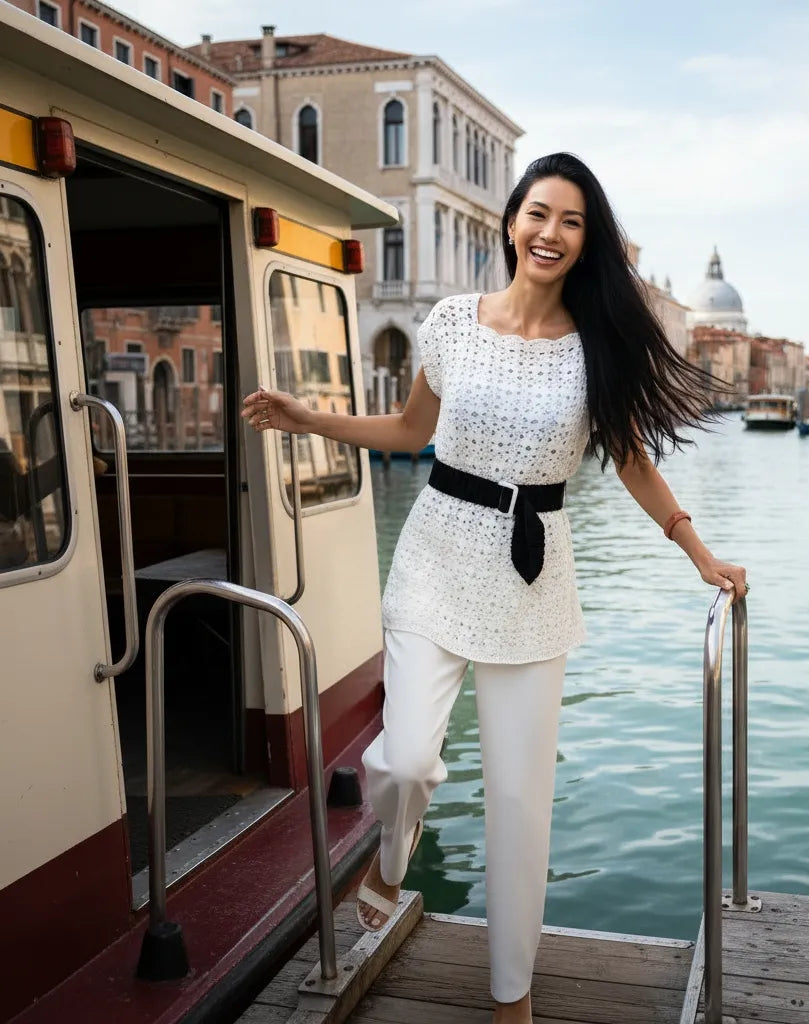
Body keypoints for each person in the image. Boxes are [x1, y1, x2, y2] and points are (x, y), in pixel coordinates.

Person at [242, 152, 747, 1024]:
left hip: (534, 578)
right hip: (436, 558)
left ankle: (512, 994)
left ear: (585, 243)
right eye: (539, 214)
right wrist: (307, 417)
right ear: (512, 222)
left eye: (572, 222)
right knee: (406, 759)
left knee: (519, 801)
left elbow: (632, 462)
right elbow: (410, 430)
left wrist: (696, 551)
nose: (552, 233)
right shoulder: (450, 322)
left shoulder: (595, 350)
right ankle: (390, 857)